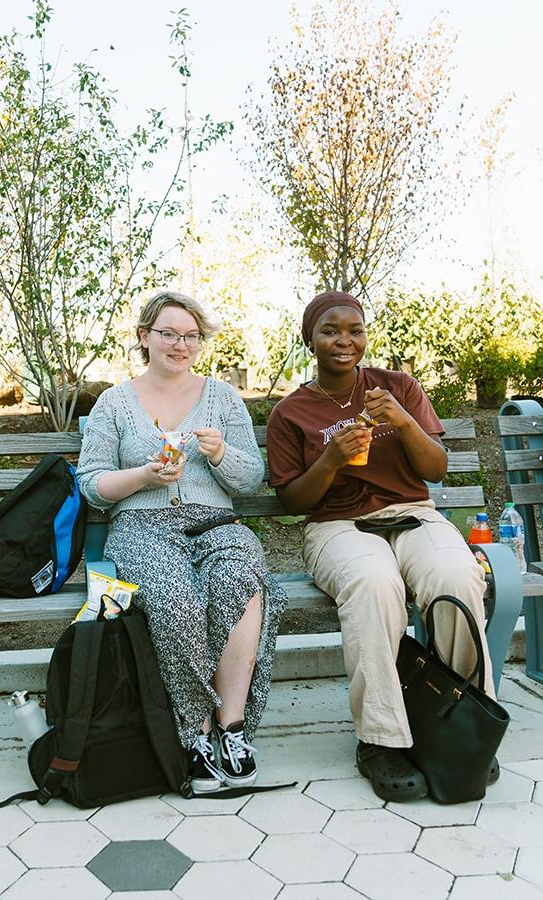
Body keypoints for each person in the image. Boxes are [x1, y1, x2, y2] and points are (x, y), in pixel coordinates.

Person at [266, 290, 496, 802]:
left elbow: (435, 470)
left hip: (413, 514)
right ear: (310, 339)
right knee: (374, 584)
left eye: (354, 330)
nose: (344, 341)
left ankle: (464, 720)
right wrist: (330, 460)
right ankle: (380, 739)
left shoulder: (398, 388)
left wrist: (404, 421)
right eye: (330, 330)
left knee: (458, 578)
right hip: (337, 526)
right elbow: (291, 501)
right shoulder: (292, 412)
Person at [77, 291, 287, 793]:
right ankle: (192, 732)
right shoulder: (115, 402)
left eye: (190, 336)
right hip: (141, 526)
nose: (180, 344)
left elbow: (250, 479)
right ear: (145, 337)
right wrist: (143, 477)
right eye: (168, 333)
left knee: (243, 580)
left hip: (216, 523)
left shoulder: (222, 397)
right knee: (176, 598)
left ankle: (232, 729)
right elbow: (91, 484)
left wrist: (220, 456)